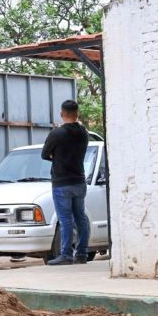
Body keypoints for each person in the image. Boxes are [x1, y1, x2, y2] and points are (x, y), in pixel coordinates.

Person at [41, 99, 91, 265]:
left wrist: (57, 157)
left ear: (61, 114)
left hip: (61, 182)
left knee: (65, 220)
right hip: (79, 180)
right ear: (77, 114)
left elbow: (44, 154)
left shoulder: (56, 134)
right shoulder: (83, 133)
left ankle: (66, 254)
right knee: (80, 218)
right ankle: (82, 253)